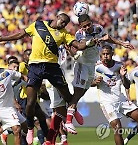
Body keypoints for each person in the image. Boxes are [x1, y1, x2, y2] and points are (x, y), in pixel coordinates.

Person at [0, 13, 95, 144]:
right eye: (62, 22)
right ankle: (30, 128)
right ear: (57, 18)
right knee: (30, 102)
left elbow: (79, 46)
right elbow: (21, 34)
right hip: (35, 66)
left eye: (65, 24)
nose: (63, 25)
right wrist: (3, 38)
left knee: (67, 95)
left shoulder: (63, 33)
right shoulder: (38, 25)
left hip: (52, 67)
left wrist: (90, 42)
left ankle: (74, 111)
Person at [64, 14, 134, 134]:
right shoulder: (80, 34)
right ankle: (68, 121)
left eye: (88, 25)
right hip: (82, 64)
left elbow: (107, 37)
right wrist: (91, 42)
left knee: (82, 92)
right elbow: (81, 46)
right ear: (80, 27)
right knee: (77, 93)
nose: (86, 28)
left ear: (91, 22)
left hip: (92, 64)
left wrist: (121, 43)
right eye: (84, 26)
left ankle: (73, 110)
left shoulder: (98, 29)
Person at [91, 45, 138, 145]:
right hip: (107, 102)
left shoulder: (119, 65)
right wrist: (95, 82)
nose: (106, 56)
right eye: (103, 54)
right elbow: (88, 83)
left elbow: (127, 85)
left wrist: (123, 76)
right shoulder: (96, 67)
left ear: (112, 54)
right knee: (118, 128)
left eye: (108, 54)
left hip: (120, 98)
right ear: (101, 55)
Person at [0, 58, 27, 145]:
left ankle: (5, 132)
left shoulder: (7, 73)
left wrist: (31, 81)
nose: (15, 68)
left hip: (9, 107)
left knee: (24, 125)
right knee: (17, 129)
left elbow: (22, 76)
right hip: (4, 108)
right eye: (14, 66)